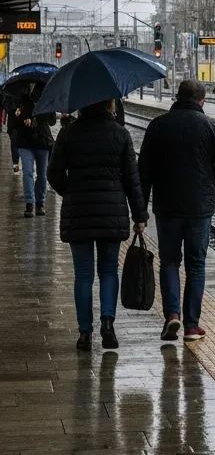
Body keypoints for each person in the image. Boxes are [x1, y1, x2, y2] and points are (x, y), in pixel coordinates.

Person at [138, 80, 215, 343]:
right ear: (201, 100)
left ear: (177, 97)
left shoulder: (158, 126)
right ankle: (192, 326)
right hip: (199, 207)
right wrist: (206, 174)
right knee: (196, 265)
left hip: (167, 206)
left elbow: (143, 172)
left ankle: (172, 315)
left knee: (169, 261)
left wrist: (140, 212)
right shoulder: (211, 126)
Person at [47, 99, 148, 351]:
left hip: (78, 212)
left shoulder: (68, 133)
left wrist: (69, 191)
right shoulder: (120, 134)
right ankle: (107, 324)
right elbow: (132, 179)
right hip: (111, 212)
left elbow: (53, 174)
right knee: (108, 271)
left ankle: (84, 333)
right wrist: (140, 215)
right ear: (108, 105)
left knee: (83, 274)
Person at [10, 84, 56, 217]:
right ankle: (29, 203)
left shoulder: (47, 97)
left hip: (42, 141)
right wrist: (19, 116)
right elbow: (13, 124)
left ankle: (40, 203)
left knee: (42, 174)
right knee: (28, 172)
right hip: (25, 141)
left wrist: (40, 116)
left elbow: (52, 121)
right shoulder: (21, 101)